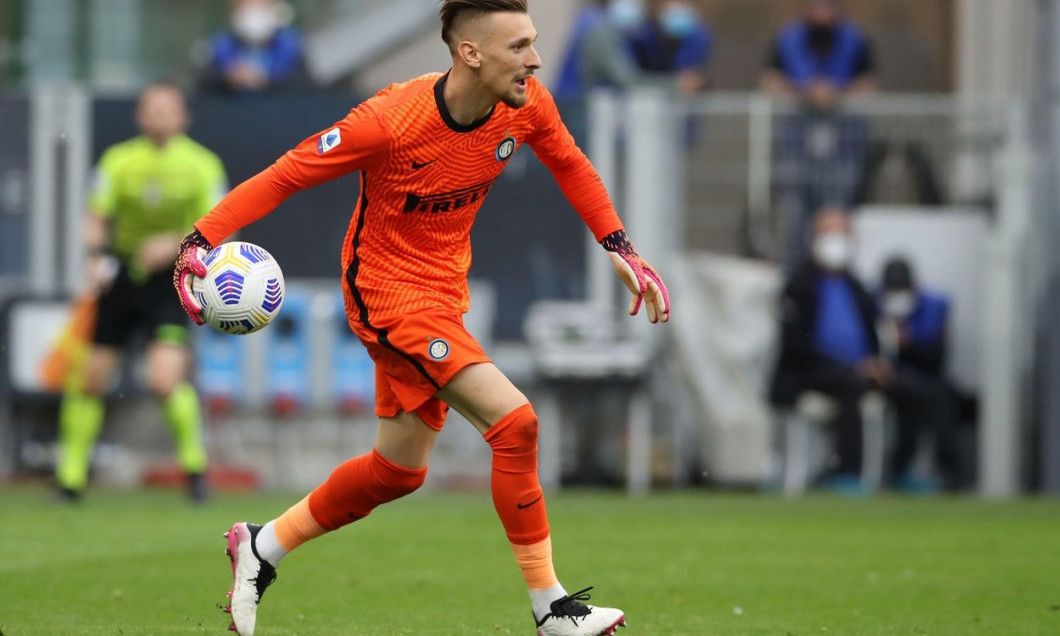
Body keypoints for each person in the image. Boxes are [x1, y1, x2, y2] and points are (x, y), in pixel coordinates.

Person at [173, 1, 669, 635]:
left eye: (533, 43)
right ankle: (552, 609)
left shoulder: (528, 105)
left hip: (442, 297)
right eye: (518, 47)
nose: (535, 60)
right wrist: (200, 238)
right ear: (470, 54)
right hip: (385, 297)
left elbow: (571, 163)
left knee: (398, 472)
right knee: (515, 424)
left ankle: (261, 546)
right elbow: (288, 174)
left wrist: (618, 246)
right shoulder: (388, 120)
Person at [55, 81, 227, 503]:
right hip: (120, 277)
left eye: (168, 109)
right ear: (140, 115)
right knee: (91, 378)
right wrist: (94, 255)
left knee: (165, 380)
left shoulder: (202, 165)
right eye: (152, 109)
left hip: (173, 283)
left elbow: (223, 226)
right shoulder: (118, 160)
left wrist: (173, 245)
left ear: (183, 116)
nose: (159, 117)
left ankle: (194, 469)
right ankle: (70, 478)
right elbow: (96, 216)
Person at [769, 208, 888, 494]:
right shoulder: (798, 286)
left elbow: (875, 335)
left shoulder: (858, 288)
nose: (836, 242)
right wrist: (854, 368)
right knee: (852, 384)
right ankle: (847, 473)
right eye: (828, 234)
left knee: (922, 389)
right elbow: (795, 344)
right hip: (808, 370)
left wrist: (878, 363)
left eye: (841, 234)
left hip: (857, 369)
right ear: (813, 239)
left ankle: (911, 471)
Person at [760, 0, 876, 273]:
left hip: (843, 150)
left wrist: (836, 93)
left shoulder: (855, 39)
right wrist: (805, 93)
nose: (822, 13)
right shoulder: (788, 39)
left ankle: (838, 279)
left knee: (837, 215)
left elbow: (870, 84)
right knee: (794, 218)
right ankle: (795, 279)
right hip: (796, 149)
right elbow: (770, 81)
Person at [876, 256, 958, 492]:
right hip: (881, 377)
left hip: (921, 377)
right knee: (907, 397)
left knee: (940, 396)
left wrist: (909, 343)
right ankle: (895, 470)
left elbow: (937, 358)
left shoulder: (932, 307)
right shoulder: (871, 304)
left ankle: (948, 472)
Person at [199, 0, 309, 95]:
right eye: (246, 5)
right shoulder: (220, 46)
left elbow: (306, 88)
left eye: (259, 5)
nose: (253, 13)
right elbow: (203, 87)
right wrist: (228, 80)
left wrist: (266, 82)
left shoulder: (292, 46)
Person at [553, 0, 644, 100]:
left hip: (568, 93)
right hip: (574, 98)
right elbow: (620, 75)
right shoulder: (599, 29)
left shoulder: (589, 17)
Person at [626, 0, 712, 95]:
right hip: (639, 97)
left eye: (682, 3)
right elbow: (629, 78)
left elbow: (688, 81)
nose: (677, 8)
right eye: (671, 3)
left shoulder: (698, 37)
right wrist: (671, 84)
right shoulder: (640, 36)